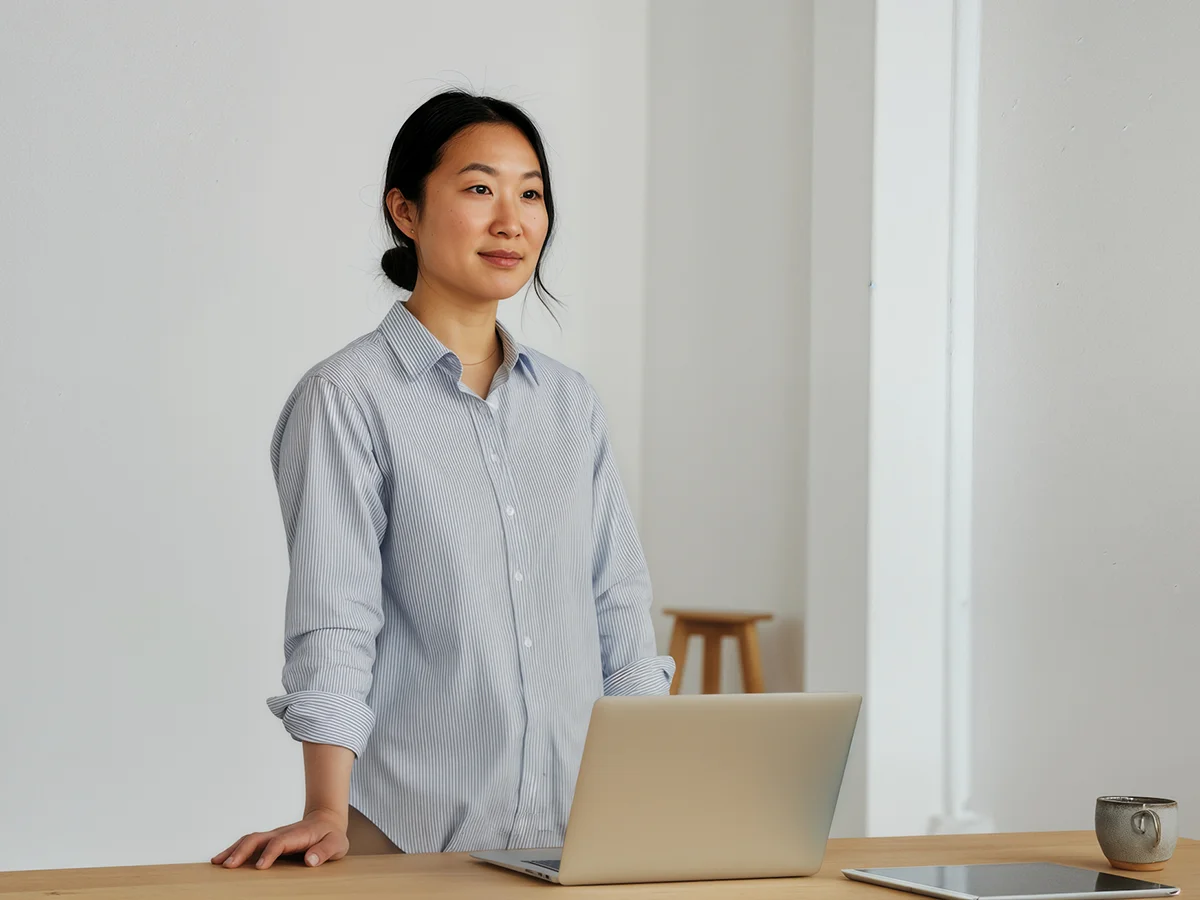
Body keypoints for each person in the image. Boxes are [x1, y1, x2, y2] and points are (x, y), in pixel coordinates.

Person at [211, 88, 675, 871]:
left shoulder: (570, 403)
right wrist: (325, 810)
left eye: (531, 193)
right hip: (409, 837)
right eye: (478, 188)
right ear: (406, 210)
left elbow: (617, 605)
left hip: (578, 833)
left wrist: (644, 789)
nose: (512, 220)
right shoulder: (346, 397)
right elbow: (336, 616)